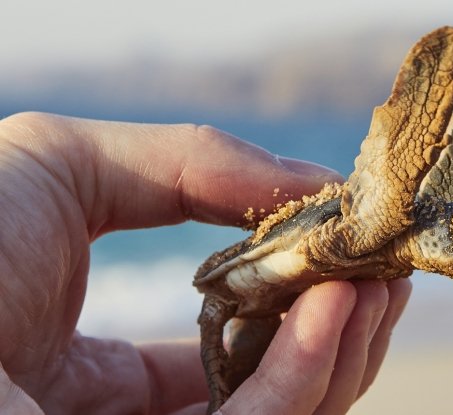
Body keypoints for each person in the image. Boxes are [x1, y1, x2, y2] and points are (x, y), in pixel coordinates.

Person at [0, 112, 411, 414]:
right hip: (237, 276)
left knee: (287, 364)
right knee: (235, 371)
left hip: (281, 286)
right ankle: (219, 394)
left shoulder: (382, 245)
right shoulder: (361, 223)